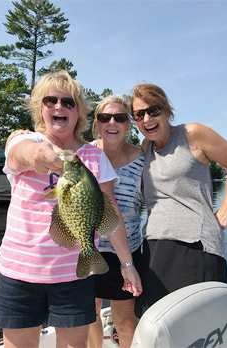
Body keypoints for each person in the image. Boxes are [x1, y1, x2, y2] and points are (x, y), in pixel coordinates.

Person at [0, 70, 142, 348]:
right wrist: (36, 154)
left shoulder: (95, 156)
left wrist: (127, 265)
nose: (59, 106)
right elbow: (21, 153)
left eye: (68, 102)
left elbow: (111, 211)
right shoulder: (25, 141)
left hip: (74, 275)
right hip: (20, 272)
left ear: (78, 111)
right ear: (40, 108)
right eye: (51, 100)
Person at [130, 83, 227, 319]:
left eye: (153, 110)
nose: (147, 119)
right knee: (155, 324)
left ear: (166, 111)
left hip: (195, 244)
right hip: (154, 244)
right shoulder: (146, 147)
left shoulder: (191, 133)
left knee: (193, 328)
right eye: (139, 114)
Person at [88, 95, 145, 348]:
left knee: (125, 321)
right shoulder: (84, 155)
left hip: (127, 252)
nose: (112, 122)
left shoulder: (143, 158)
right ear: (97, 123)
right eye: (104, 117)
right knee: (90, 316)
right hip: (89, 250)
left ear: (128, 124)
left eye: (120, 117)